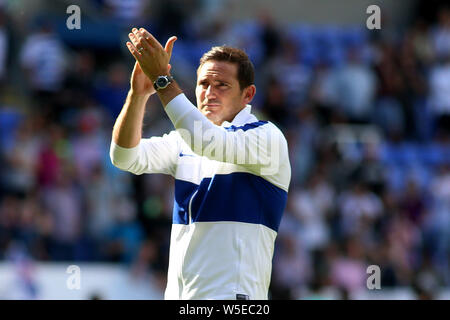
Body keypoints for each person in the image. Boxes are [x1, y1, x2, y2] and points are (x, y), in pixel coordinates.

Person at [110, 27, 291, 300]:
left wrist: (161, 79)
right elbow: (124, 157)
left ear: (248, 95)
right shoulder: (186, 141)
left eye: (222, 85)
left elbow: (206, 142)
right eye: (204, 84)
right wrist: (139, 95)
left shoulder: (266, 137)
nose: (209, 93)